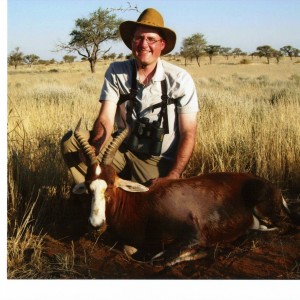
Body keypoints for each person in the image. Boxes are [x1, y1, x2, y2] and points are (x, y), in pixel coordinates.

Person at [61, 8, 199, 186]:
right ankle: (94, 195)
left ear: (162, 45)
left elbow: (188, 132)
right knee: (72, 143)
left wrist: (174, 175)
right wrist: (95, 148)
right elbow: (106, 118)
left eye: (151, 39)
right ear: (132, 42)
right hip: (120, 150)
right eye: (138, 38)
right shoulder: (116, 71)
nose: (143, 44)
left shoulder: (180, 79)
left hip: (155, 160)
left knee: (149, 202)